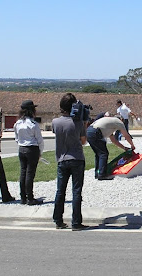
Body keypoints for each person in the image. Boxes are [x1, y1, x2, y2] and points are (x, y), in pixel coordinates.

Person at [52, 93, 88, 230]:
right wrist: (84, 124)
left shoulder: (55, 122)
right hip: (77, 158)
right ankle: (76, 222)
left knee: (60, 191)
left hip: (62, 159)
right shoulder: (78, 123)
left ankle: (58, 219)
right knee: (76, 191)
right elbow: (83, 141)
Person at [13, 100, 45, 205]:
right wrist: (40, 151)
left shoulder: (17, 124)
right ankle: (30, 198)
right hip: (32, 149)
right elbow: (39, 140)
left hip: (21, 148)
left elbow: (16, 138)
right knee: (30, 174)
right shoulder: (33, 124)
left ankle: (23, 197)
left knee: (23, 172)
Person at [87, 113, 135, 180]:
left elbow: (114, 141)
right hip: (96, 132)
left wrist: (124, 148)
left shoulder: (110, 125)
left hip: (89, 131)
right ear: (121, 119)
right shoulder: (119, 122)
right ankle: (102, 175)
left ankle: (97, 174)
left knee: (98, 154)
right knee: (104, 154)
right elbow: (126, 135)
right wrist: (132, 145)